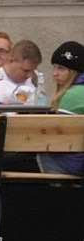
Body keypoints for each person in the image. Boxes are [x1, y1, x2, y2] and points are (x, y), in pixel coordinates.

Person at [39, 41, 84, 175]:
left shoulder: (72, 95)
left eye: (61, 68)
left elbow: (60, 139)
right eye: (54, 67)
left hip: (73, 163)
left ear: (74, 71)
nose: (54, 73)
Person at [2, 39, 44, 104]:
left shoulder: (35, 79)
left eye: (32, 70)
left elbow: (42, 103)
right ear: (11, 61)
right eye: (26, 71)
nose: (29, 75)